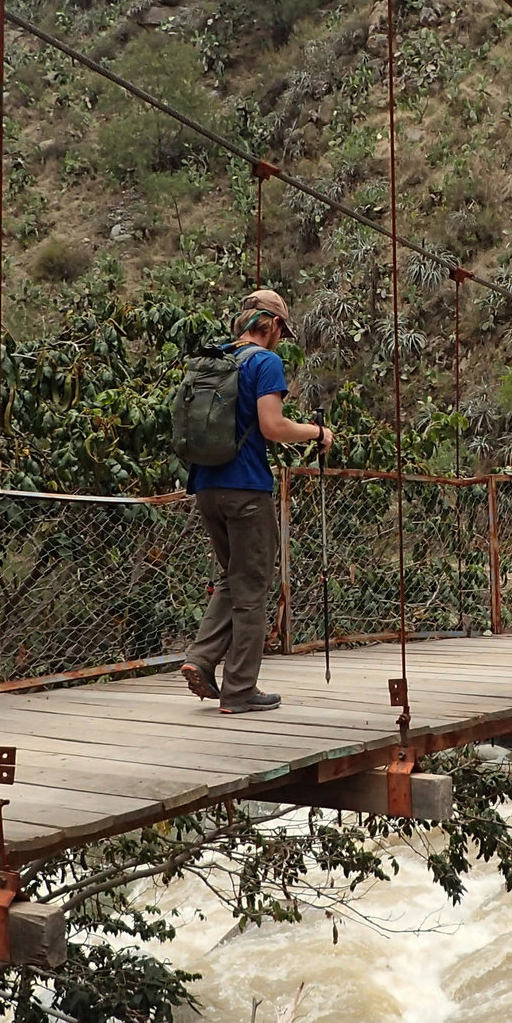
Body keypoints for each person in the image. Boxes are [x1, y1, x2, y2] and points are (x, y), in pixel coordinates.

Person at [180, 288, 332, 714]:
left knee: (233, 577)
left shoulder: (215, 359)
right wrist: (317, 433)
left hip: (206, 486)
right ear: (276, 326)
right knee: (253, 590)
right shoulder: (266, 361)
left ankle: (201, 659)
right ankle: (240, 689)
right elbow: (272, 426)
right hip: (246, 489)